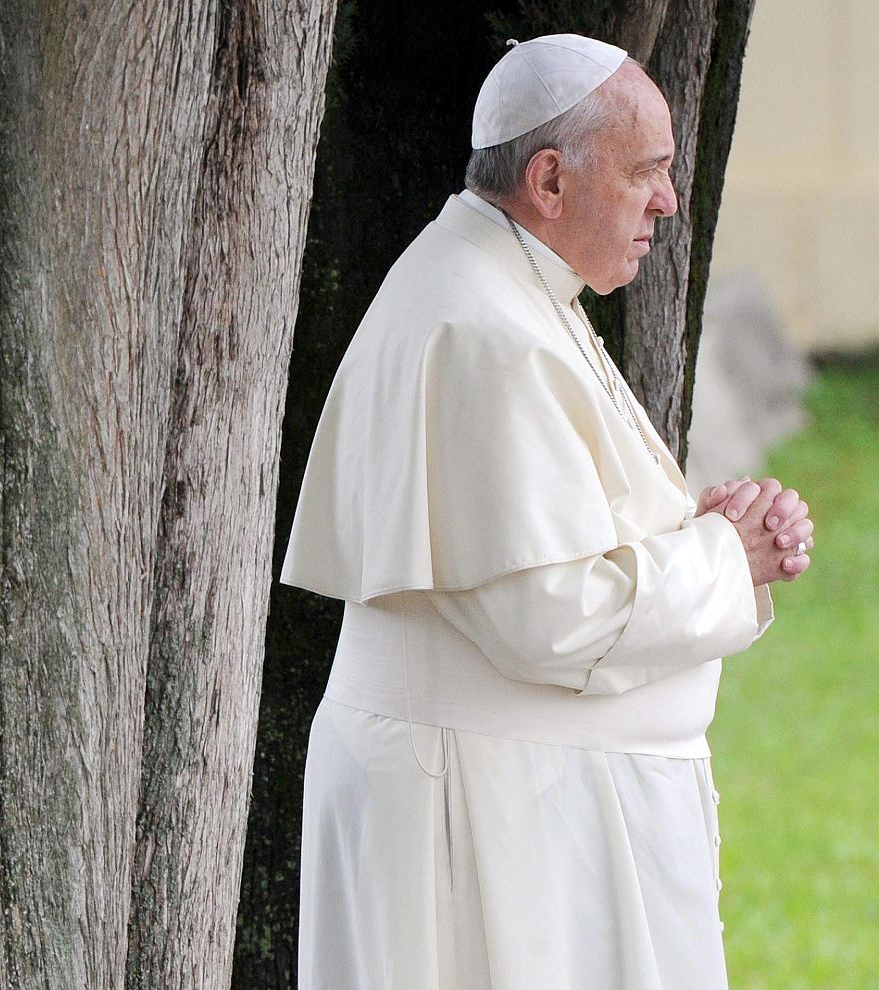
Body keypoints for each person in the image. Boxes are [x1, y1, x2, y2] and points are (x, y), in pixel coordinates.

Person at [279, 34, 816, 989]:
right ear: (551, 181)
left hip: (515, 795)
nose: (668, 201)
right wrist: (726, 558)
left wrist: (700, 532)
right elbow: (553, 618)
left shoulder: (507, 285)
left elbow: (544, 536)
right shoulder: (481, 325)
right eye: (646, 171)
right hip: (481, 813)